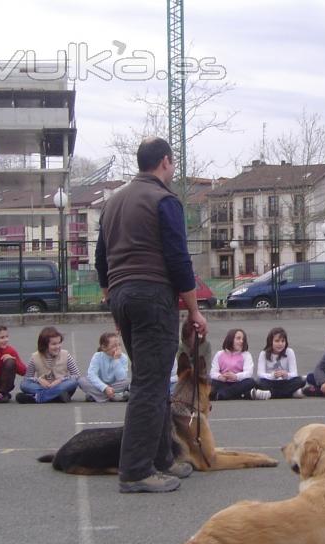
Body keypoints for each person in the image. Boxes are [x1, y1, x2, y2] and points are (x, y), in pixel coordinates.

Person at [95, 136, 206, 493]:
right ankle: (136, 471)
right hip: (152, 295)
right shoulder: (164, 199)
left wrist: (113, 296)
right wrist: (194, 310)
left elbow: (101, 257)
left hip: (122, 294)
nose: (173, 169)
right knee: (150, 383)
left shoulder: (113, 201)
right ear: (165, 161)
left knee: (153, 380)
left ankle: (161, 459)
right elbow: (178, 259)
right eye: (173, 164)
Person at [17, 326, 82, 404]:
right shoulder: (34, 357)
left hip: (61, 386)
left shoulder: (66, 355)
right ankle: (56, 397)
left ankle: (37, 398)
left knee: (73, 382)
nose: (58, 347)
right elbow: (27, 378)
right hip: (43, 386)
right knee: (24, 384)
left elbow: (77, 375)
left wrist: (60, 380)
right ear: (44, 345)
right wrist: (39, 380)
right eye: (54, 344)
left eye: (59, 343)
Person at [210, 329, 269, 400]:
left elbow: (248, 373)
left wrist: (236, 376)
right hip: (223, 382)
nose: (241, 341)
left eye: (243, 339)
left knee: (251, 381)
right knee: (211, 382)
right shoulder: (219, 354)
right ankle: (244, 395)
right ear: (230, 339)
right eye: (238, 338)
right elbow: (213, 372)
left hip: (238, 383)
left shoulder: (246, 355)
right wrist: (220, 377)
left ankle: (222, 395)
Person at [79, 332, 131, 403]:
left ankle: (96, 396)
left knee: (129, 381)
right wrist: (105, 388)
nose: (118, 348)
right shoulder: (97, 356)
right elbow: (92, 375)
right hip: (100, 385)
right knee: (81, 381)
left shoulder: (123, 357)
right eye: (114, 346)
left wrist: (116, 360)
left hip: (115, 385)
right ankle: (114, 396)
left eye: (119, 345)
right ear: (104, 347)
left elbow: (122, 378)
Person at [255, 327, 305, 398]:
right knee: (258, 382)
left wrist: (286, 374)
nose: (280, 344)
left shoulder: (289, 352)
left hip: (285, 382)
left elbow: (294, 373)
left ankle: (271, 394)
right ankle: (291, 393)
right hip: (270, 382)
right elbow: (260, 374)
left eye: (283, 341)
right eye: (277, 341)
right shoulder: (263, 353)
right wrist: (272, 376)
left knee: (301, 380)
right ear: (270, 341)